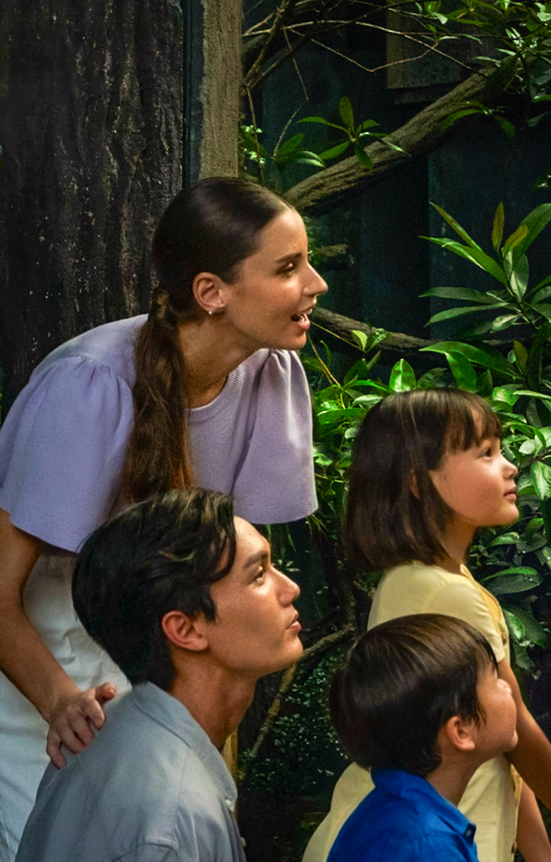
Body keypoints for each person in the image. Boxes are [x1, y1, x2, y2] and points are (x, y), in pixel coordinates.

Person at [0, 177, 326, 858]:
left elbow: (229, 582)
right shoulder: (89, 385)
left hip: (159, 663)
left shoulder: (273, 374)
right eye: (288, 268)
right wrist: (60, 702)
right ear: (212, 292)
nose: (315, 284)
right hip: (39, 672)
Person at [303, 389, 551, 862]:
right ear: (417, 482)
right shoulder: (445, 594)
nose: (510, 467)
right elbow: (517, 727)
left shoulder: (424, 579)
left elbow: (505, 742)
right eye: (486, 453)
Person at [15, 489, 304, 862]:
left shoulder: (109, 734)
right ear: (185, 629)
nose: (291, 588)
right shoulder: (170, 825)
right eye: (259, 575)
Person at [326, 614, 520, 862]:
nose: (507, 687)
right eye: (494, 678)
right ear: (462, 730)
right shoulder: (431, 847)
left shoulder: (387, 811)